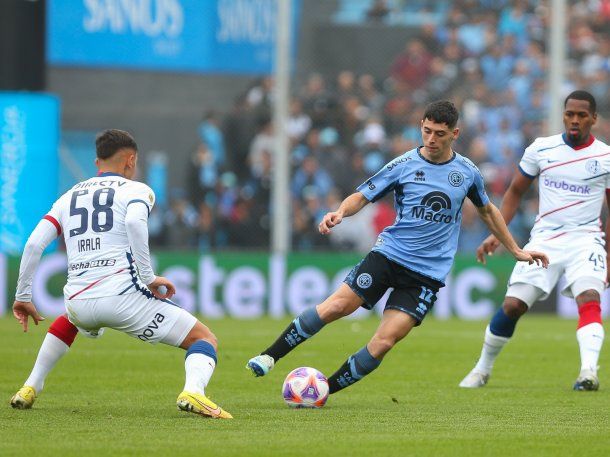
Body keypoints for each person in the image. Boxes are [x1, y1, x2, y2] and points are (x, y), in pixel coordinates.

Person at [246, 101, 548, 396]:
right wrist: (339, 212)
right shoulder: (404, 165)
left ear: (455, 134)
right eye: (427, 131)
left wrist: (516, 250)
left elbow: (487, 211)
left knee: (384, 341)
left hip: (426, 275)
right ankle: (269, 356)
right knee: (336, 306)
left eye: (439, 134)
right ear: (421, 127)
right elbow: (362, 196)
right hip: (388, 256)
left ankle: (325, 391)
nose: (431, 139)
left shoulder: (467, 173)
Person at [10, 129, 232, 418]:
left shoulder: (67, 198)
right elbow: (136, 223)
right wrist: (149, 277)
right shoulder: (136, 189)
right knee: (204, 338)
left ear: (96, 163)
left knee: (70, 318)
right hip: (121, 299)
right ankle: (194, 392)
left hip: (77, 303)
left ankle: (30, 386)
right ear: (130, 161)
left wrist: (23, 295)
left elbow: (34, 243)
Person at [460, 90, 609, 391]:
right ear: (563, 115)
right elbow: (515, 191)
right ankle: (482, 368)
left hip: (586, 240)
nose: (575, 120)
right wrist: (497, 234)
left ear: (593, 118)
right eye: (570, 114)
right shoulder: (542, 149)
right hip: (545, 240)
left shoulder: (606, 157)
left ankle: (588, 373)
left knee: (589, 299)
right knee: (513, 305)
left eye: (582, 115)